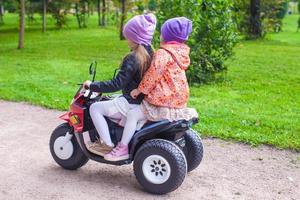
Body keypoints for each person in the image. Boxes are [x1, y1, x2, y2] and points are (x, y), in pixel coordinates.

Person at [106, 17, 198, 161]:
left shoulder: (163, 53)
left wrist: (140, 90)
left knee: (132, 115)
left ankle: (122, 147)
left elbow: (154, 73)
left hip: (162, 101)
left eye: (162, 33)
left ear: (166, 36)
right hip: (178, 101)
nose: (160, 35)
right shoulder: (181, 53)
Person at [83, 13, 156, 160]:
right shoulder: (151, 54)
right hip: (142, 102)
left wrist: (92, 86)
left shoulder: (133, 58)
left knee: (95, 108)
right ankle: (115, 135)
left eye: (128, 36)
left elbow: (116, 84)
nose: (127, 39)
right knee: (112, 100)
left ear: (135, 37)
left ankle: (107, 144)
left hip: (131, 103)